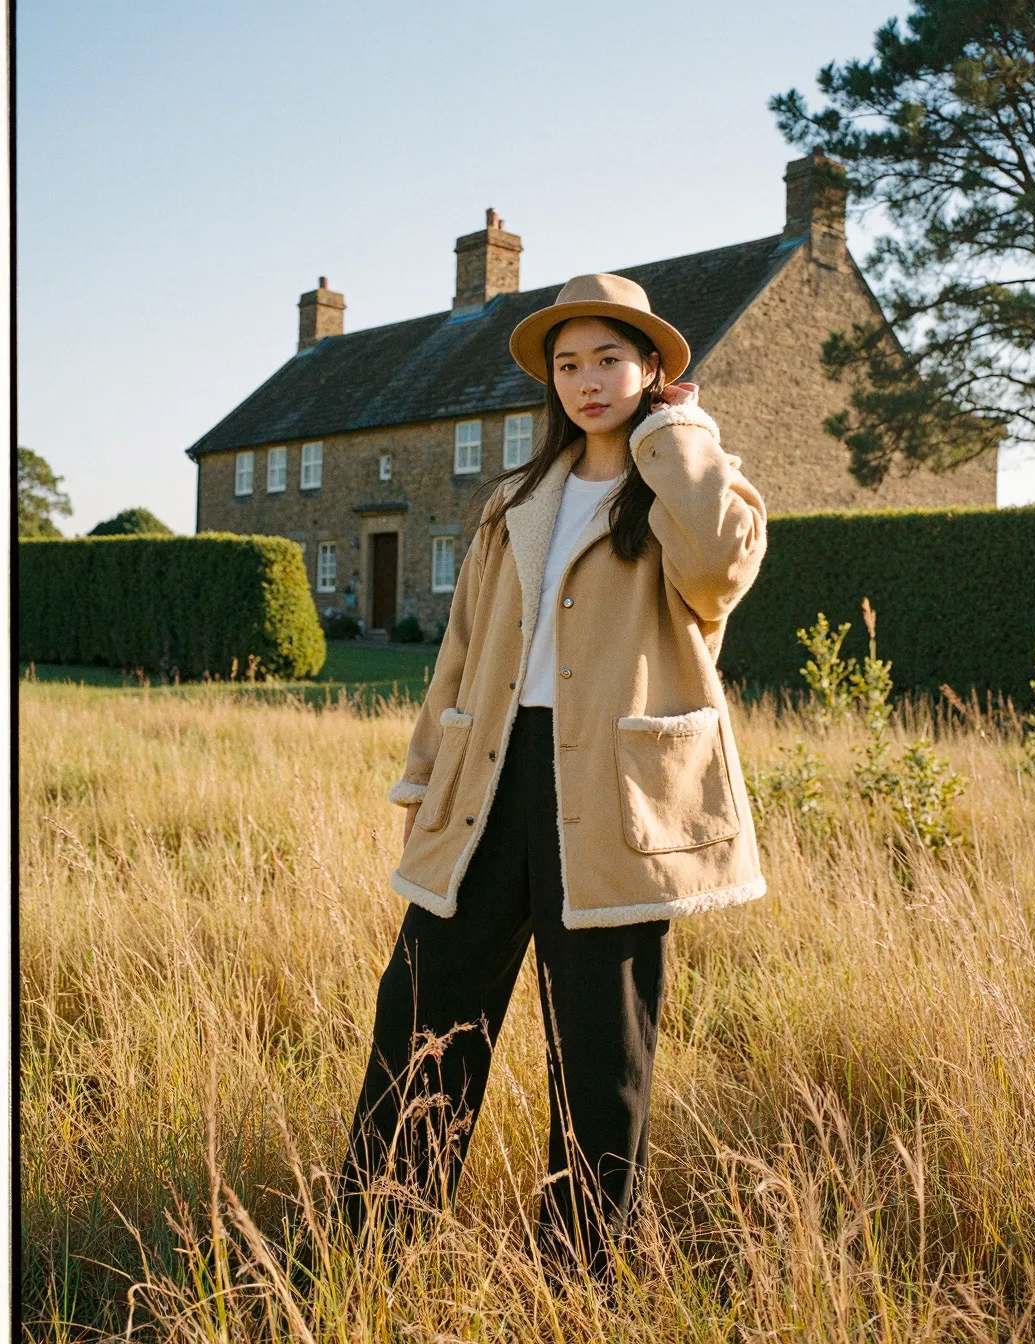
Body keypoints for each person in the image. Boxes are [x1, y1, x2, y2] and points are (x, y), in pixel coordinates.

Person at [337, 272, 768, 1283]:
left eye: (609, 359)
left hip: (617, 799)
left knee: (600, 1058)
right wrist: (424, 790)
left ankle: (577, 1280)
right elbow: (459, 656)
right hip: (489, 787)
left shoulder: (687, 483)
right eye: (567, 364)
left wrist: (676, 436)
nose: (586, 381)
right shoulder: (510, 502)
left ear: (656, 368)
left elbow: (715, 570)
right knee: (423, 1024)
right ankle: (374, 1252)